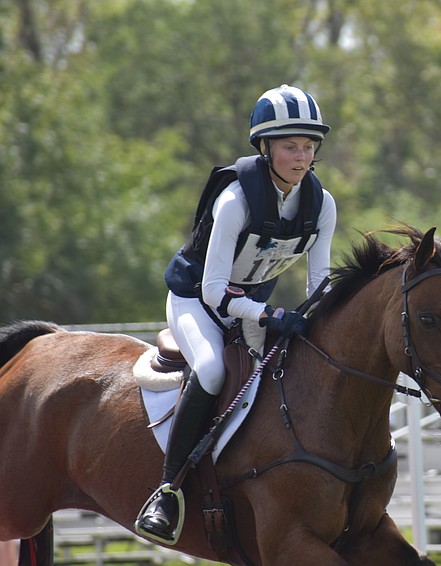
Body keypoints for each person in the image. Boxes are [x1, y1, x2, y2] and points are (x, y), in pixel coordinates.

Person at [136, 84, 336, 543]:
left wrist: (314, 320)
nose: (301, 156)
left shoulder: (322, 205)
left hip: (250, 308)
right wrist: (268, 316)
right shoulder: (235, 202)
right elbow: (212, 290)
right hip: (196, 300)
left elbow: (319, 285)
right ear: (265, 148)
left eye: (308, 146)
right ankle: (167, 492)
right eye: (290, 146)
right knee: (209, 369)